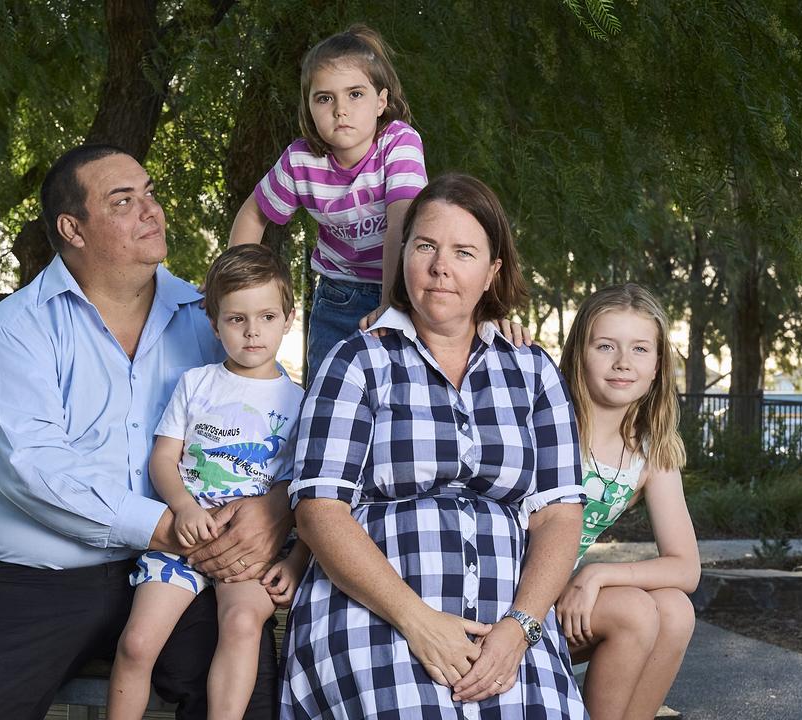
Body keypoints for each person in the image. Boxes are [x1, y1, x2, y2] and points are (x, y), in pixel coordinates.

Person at [0, 144, 292, 720]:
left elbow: (275, 428)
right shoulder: (14, 332)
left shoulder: (210, 319)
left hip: (178, 568)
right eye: (124, 201)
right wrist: (169, 528)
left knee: (251, 694)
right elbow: (33, 470)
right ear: (73, 228)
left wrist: (276, 509)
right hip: (25, 574)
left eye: (150, 193)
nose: (152, 211)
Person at [281, 173, 588, 719]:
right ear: (402, 257)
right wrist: (418, 622)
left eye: (464, 252)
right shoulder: (358, 361)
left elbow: (559, 516)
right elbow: (318, 510)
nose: (440, 266)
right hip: (376, 614)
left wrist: (519, 631)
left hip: (506, 624)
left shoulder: (533, 370)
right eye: (425, 246)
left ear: (493, 271)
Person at [108, 244, 310, 720]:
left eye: (266, 316)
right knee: (137, 644)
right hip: (184, 537)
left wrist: (299, 558)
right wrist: (182, 506)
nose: (252, 331)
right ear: (213, 321)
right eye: (236, 319)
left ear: (288, 317)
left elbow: (310, 492)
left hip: (250, 552)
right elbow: (163, 458)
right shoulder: (196, 384)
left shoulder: (303, 401)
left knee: (241, 623)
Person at [228, 25, 427, 373]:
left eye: (355, 94)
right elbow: (253, 216)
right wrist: (232, 285)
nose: (340, 110)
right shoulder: (300, 161)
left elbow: (402, 222)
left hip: (399, 287)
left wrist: (392, 303)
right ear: (308, 106)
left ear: (381, 101)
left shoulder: (399, 143)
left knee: (396, 394)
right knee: (327, 392)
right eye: (324, 98)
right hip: (337, 293)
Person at [555, 284, 700, 720]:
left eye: (640, 349)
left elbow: (686, 567)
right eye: (606, 346)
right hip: (506, 595)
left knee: (675, 610)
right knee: (636, 612)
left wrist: (598, 572)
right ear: (580, 352)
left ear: (658, 366)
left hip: (563, 599)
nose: (623, 363)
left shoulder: (649, 452)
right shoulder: (548, 418)